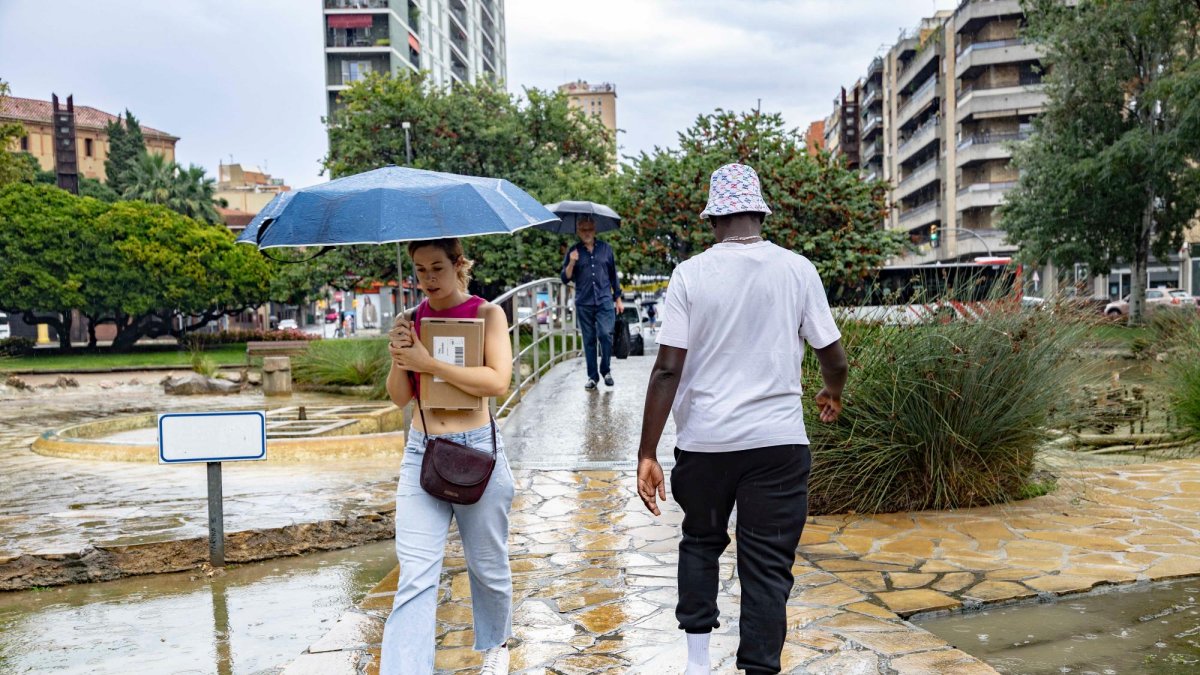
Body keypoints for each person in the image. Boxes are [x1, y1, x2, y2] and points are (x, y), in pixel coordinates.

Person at [634, 163, 849, 675]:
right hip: (778, 445)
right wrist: (832, 391)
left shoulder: (690, 274)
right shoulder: (797, 270)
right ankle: (759, 669)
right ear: (760, 214)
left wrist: (647, 452)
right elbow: (834, 357)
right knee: (768, 566)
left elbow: (667, 369)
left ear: (713, 219)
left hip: (705, 444)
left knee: (700, 542)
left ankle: (696, 663)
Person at [380, 237, 515, 675]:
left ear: (458, 264)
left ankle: (496, 646)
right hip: (422, 451)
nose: (428, 279)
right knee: (416, 572)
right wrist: (401, 356)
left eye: (437, 267)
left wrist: (430, 363)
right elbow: (399, 397)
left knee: (487, 566)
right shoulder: (409, 320)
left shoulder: (487, 314)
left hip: (477, 449)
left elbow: (498, 382)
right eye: (420, 270)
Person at [560, 217, 624, 390]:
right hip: (584, 302)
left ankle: (606, 370)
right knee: (589, 340)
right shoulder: (573, 251)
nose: (587, 233)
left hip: (604, 300)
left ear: (595, 230)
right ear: (578, 232)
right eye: (583, 230)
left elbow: (613, 275)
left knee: (605, 334)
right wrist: (571, 262)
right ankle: (592, 377)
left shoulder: (606, 249)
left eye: (589, 229)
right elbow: (565, 278)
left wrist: (618, 299)